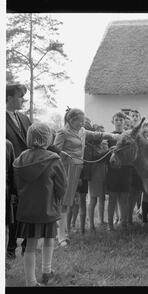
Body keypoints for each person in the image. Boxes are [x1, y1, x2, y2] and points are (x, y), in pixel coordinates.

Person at [53, 108, 118, 246]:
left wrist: (113, 136)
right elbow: (55, 151)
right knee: (63, 202)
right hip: (65, 169)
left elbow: (97, 135)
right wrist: (64, 154)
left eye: (83, 121)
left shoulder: (82, 131)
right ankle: (60, 236)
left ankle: (62, 232)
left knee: (68, 202)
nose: (83, 124)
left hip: (77, 169)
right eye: (80, 121)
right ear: (71, 120)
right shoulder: (62, 132)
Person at [13, 122, 67, 286]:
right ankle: (46, 271)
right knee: (50, 239)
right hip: (47, 208)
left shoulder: (21, 158)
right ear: (47, 138)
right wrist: (57, 199)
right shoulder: (53, 159)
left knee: (30, 244)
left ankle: (31, 281)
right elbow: (62, 185)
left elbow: (17, 184)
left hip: (28, 209)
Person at [6, 83, 31, 259]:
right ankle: (10, 248)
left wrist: (58, 152)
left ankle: (27, 247)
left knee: (29, 208)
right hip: (10, 173)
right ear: (8, 98)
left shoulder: (24, 118)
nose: (23, 99)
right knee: (13, 210)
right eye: (20, 96)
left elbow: (36, 140)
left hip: (29, 171)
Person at [107, 112, 132, 231]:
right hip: (112, 172)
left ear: (124, 122)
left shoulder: (128, 136)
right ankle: (110, 225)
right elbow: (105, 154)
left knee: (124, 198)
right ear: (113, 121)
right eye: (116, 120)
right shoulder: (108, 136)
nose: (119, 122)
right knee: (112, 198)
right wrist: (110, 151)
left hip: (126, 170)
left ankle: (124, 224)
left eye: (121, 120)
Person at [6, 140, 16, 268]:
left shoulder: (7, 145)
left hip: (5, 190)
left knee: (5, 226)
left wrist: (14, 192)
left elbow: (12, 171)